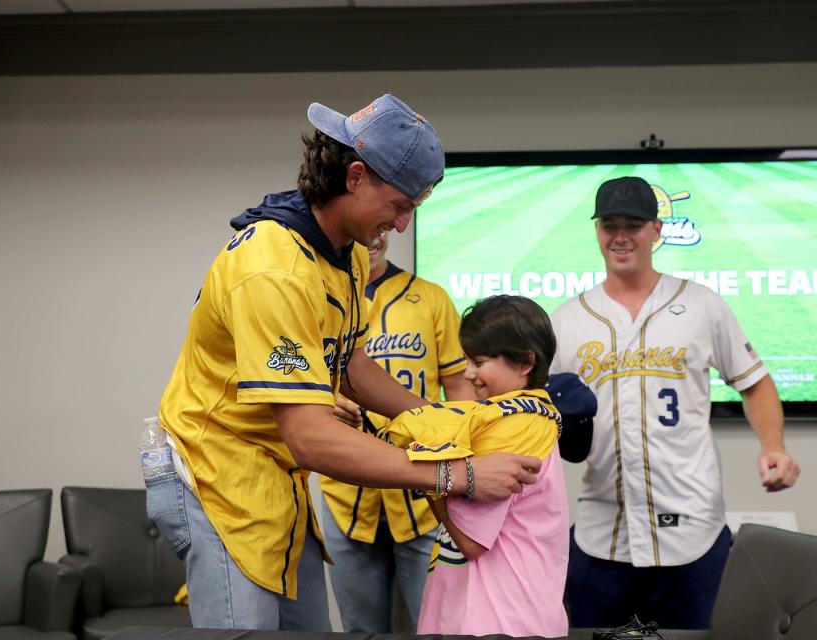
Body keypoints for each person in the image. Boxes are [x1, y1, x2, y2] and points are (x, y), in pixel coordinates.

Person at [146, 94, 542, 631]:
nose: (402, 226)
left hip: (276, 473)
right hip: (217, 475)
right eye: (400, 205)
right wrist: (459, 474)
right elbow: (311, 437)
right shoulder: (274, 268)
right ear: (355, 176)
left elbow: (349, 363)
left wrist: (435, 417)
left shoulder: (347, 250)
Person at [549, 176, 801, 630]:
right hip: (601, 531)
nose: (620, 236)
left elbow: (755, 383)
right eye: (609, 225)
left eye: (634, 225)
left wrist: (774, 446)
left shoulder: (702, 305)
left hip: (693, 529)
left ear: (657, 231)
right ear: (597, 231)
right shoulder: (568, 319)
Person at [378, 295, 587, 638]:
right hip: (479, 612)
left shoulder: (519, 426)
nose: (469, 374)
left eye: (480, 361)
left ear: (524, 363)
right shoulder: (504, 418)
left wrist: (433, 480)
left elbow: (471, 542)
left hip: (504, 620)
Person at [319, 230, 476, 632]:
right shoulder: (318, 296)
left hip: (424, 497)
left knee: (439, 627)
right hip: (346, 494)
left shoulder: (431, 297)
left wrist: (463, 464)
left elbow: (459, 388)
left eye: (382, 230)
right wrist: (324, 401)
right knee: (360, 632)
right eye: (364, 232)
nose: (374, 239)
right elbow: (294, 383)